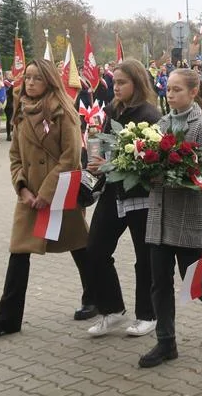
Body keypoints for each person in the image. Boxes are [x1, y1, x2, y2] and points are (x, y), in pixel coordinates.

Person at [0, 59, 94, 338]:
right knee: (19, 251)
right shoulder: (20, 112)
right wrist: (23, 189)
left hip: (59, 192)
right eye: (26, 77)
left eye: (36, 78)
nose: (29, 83)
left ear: (49, 81)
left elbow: (71, 156)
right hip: (30, 196)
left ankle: (95, 297)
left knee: (79, 246)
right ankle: (6, 318)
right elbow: (15, 156)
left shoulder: (64, 111)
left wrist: (46, 193)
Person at [139, 68, 202, 368]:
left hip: (187, 212)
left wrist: (175, 172)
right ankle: (166, 342)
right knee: (159, 281)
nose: (170, 95)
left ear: (193, 92)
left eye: (177, 90)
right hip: (159, 213)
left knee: (192, 278)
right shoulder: (162, 123)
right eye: (168, 90)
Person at [84, 60, 160, 338]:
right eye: (114, 82)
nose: (115, 87)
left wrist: (110, 164)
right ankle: (112, 309)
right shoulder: (114, 109)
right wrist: (96, 163)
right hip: (113, 192)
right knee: (95, 248)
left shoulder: (149, 114)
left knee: (145, 257)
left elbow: (150, 160)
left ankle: (148, 314)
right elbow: (105, 145)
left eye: (122, 82)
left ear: (137, 83)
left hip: (140, 195)